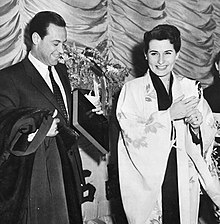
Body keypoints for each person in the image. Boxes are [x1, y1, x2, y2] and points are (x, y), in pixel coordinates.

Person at [0, 11, 101, 224]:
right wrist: (41, 129)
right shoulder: (9, 78)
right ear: (36, 39)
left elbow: (67, 116)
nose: (61, 51)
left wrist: (93, 111)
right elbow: (5, 129)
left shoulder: (63, 72)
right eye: (56, 44)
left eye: (63, 43)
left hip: (71, 171)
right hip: (38, 179)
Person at [116, 24, 220, 224]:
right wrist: (169, 115)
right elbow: (131, 135)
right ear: (146, 55)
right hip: (151, 177)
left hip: (182, 173)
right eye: (154, 53)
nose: (161, 61)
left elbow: (206, 133)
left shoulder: (190, 88)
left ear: (177, 54)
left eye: (168, 53)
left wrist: (196, 127)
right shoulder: (132, 90)